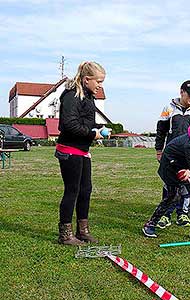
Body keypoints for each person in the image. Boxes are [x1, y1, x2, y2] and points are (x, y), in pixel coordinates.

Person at [55, 61, 108, 245]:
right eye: (98, 81)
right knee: (73, 190)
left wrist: (97, 129)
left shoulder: (88, 97)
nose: (100, 85)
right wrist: (92, 133)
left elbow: (84, 122)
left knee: (86, 190)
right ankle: (65, 234)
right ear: (87, 80)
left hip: (82, 151)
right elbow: (69, 125)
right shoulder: (71, 96)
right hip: (69, 151)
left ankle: (82, 230)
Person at [155, 80, 190, 229]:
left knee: (186, 184)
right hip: (171, 154)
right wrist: (159, 150)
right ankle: (166, 215)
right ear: (181, 92)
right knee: (169, 184)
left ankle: (182, 213)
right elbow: (161, 131)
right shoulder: (169, 108)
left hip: (189, 155)